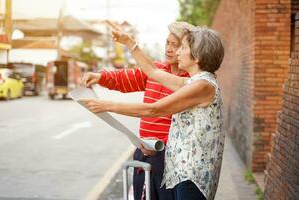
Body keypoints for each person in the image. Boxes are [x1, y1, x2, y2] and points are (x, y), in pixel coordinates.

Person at [82, 22, 225, 200]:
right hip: (181, 171)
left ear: (197, 56)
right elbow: (151, 71)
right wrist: (129, 42)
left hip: (192, 176)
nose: (176, 51)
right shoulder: (194, 82)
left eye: (182, 47)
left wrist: (107, 106)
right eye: (170, 44)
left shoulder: (202, 86)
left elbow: (154, 110)